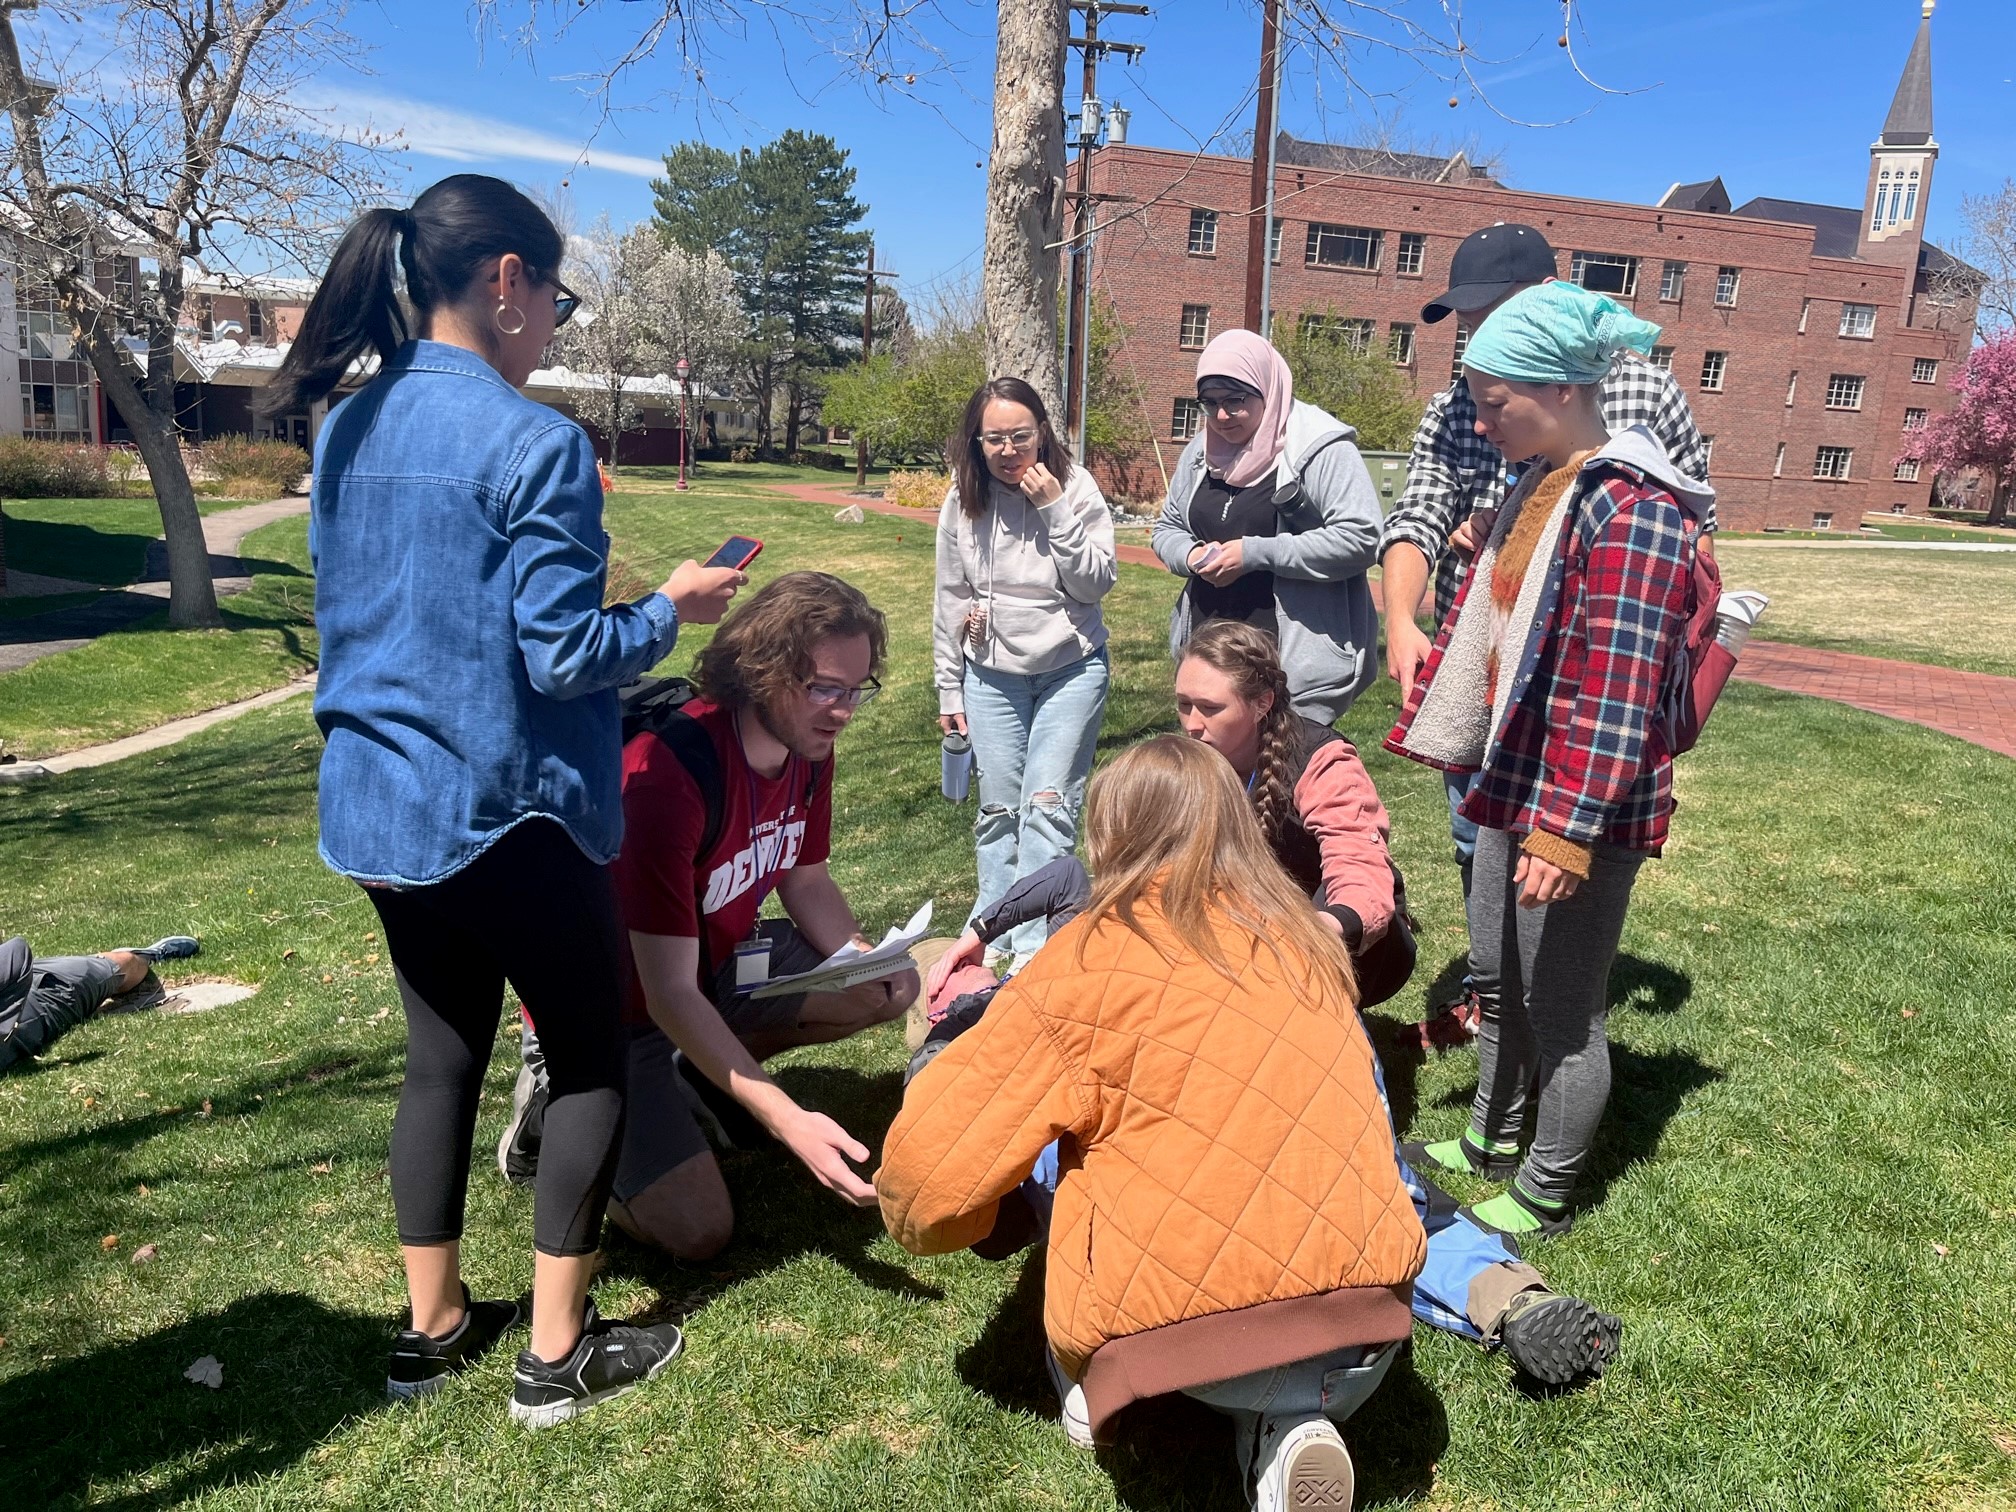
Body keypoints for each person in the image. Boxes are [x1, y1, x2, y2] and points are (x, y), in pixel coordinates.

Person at [268, 174, 745, 1424]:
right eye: (558, 301)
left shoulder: (346, 430)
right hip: (508, 813)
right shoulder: (536, 445)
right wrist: (672, 610)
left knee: (441, 1061)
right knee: (589, 1061)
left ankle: (428, 1332)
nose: (553, 328)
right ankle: (555, 1354)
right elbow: (564, 657)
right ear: (505, 283)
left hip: (376, 808)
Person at [880, 735, 1426, 1511]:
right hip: (1371, 1319)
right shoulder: (1308, 941)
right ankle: (1286, 1433)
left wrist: (976, 1224)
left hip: (1177, 1338)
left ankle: (1096, 1392)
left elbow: (927, 1181)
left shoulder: (1086, 958)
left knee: (1069, 1156)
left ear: (1110, 834)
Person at [1173, 618, 1622, 1380]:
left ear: (1262, 702)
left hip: (1346, 954)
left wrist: (1307, 936)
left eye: (1208, 709)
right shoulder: (1188, 764)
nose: (1190, 723)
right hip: (1233, 959)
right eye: (1182, 704)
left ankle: (1491, 1282)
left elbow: (1362, 879)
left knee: (1344, 1144)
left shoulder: (1321, 760)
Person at [1386, 281, 1710, 1240]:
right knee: (1496, 975)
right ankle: (1493, 1133)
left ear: (1564, 391)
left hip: (1580, 801)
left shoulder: (1635, 508)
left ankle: (1549, 1184)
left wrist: (1566, 833)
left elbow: (1613, 694)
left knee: (1563, 1004)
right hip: (1512, 774)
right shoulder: (1539, 482)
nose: (1481, 422)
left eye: (1496, 402)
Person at [500, 573, 920, 1261]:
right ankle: (553, 1106)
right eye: (823, 687)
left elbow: (805, 879)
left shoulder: (809, 746)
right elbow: (665, 995)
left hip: (713, 967)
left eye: (855, 689)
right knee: (698, 1230)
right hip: (618, 1013)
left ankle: (698, 1079)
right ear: (762, 670)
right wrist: (788, 1121)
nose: (842, 711)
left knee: (888, 983)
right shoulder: (669, 774)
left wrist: (862, 957)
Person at [933, 377, 1116, 967]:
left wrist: (1053, 506)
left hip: (1071, 668)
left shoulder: (1076, 488)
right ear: (976, 443)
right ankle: (991, 939)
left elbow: (1095, 583)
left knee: (1046, 808)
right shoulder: (963, 501)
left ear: (1042, 433)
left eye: (1021, 436)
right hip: (990, 676)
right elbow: (950, 599)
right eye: (995, 440)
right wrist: (948, 686)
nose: (1009, 451)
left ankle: (1035, 957)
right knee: (998, 814)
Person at [1152, 329, 1384, 724]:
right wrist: (1190, 556)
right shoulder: (1200, 451)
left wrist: (1255, 554)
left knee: (1282, 779)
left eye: (1235, 401)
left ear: (1267, 388)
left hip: (1292, 665)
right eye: (1209, 404)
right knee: (1217, 783)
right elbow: (1168, 527)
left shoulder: (1322, 447)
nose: (1222, 416)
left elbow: (1361, 536)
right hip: (1211, 658)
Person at [0, 933, 200, 1072]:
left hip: (18, 982)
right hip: (44, 996)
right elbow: (17, 951)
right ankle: (141, 957)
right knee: (125, 964)